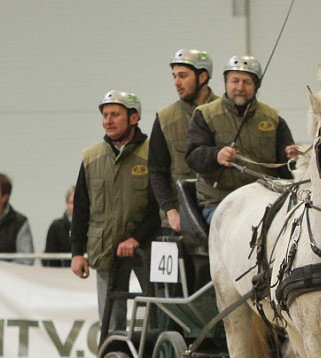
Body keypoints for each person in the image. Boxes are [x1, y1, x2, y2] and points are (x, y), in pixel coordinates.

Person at [71, 90, 160, 332]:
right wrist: (77, 252)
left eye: (115, 114)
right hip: (105, 250)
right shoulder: (91, 157)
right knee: (110, 323)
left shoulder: (153, 153)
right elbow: (81, 207)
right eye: (105, 115)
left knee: (158, 316)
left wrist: (136, 238)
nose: (108, 120)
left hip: (147, 249)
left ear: (134, 118)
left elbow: (159, 206)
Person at [185, 54, 299, 224]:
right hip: (221, 202)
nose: (240, 87)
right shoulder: (205, 114)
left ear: (256, 86)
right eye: (234, 81)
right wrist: (216, 155)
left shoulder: (273, 118)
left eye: (247, 82)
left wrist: (294, 158)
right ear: (226, 83)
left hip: (265, 200)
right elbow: (193, 156)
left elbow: (286, 170)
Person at [149, 48, 218, 233]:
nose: (176, 83)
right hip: (176, 222)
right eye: (174, 76)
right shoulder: (165, 118)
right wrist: (170, 211)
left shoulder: (224, 113)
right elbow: (156, 171)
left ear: (202, 77)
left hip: (218, 215)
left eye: (183, 76)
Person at [42, 185, 74, 267]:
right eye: (72, 202)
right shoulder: (56, 227)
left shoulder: (92, 226)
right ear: (67, 203)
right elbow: (49, 256)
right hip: (59, 275)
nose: (76, 206)